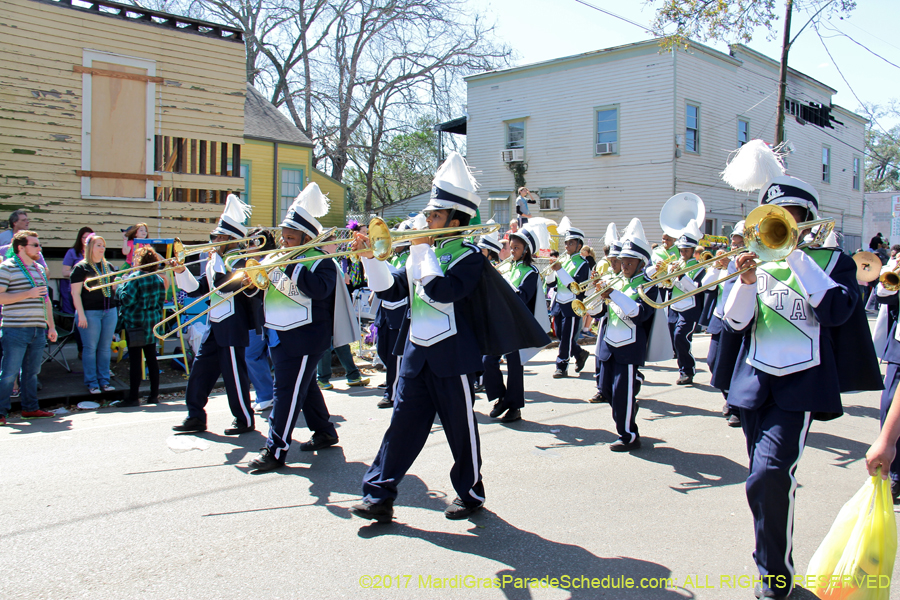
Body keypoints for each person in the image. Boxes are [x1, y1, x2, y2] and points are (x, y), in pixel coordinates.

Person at [723, 173, 873, 600]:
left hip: (802, 383)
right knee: (760, 479)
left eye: (790, 216)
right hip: (753, 380)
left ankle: (774, 573)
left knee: (770, 475)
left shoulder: (829, 262)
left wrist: (796, 256)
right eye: (774, 217)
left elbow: (838, 311)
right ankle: (768, 555)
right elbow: (735, 322)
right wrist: (746, 282)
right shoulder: (756, 261)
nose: (781, 223)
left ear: (807, 220)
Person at [349, 152, 505, 522]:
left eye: (434, 216)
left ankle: (470, 492)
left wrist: (420, 249)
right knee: (400, 428)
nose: (426, 220)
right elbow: (391, 295)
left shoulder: (469, 257)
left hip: (454, 359)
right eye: (430, 214)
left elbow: (442, 291)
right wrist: (372, 260)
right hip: (417, 357)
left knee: (460, 431)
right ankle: (379, 494)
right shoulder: (423, 254)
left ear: (454, 220)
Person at [247, 183, 358, 472]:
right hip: (279, 334)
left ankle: (275, 449)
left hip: (305, 338)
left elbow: (318, 291)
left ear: (307, 238)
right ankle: (324, 431)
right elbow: (275, 291)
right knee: (303, 387)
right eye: (283, 237)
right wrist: (256, 280)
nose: (284, 242)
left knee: (285, 392)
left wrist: (289, 267)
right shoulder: (278, 260)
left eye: (290, 237)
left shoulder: (320, 262)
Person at [171, 195, 256, 436]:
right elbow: (198, 288)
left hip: (233, 326)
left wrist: (217, 261)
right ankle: (195, 415)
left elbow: (226, 285)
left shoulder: (240, 260)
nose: (213, 241)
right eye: (213, 237)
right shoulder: (216, 261)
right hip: (215, 324)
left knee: (234, 377)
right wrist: (180, 270)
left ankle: (244, 419)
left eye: (217, 237)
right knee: (200, 371)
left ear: (231, 240)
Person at [592, 219, 658, 451]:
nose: (625, 263)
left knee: (621, 395)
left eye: (630, 260)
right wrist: (596, 293)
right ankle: (630, 401)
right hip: (608, 346)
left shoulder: (649, 285)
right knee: (607, 390)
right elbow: (599, 312)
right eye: (623, 259)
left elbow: (638, 313)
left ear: (642, 262)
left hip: (629, 348)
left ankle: (629, 435)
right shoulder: (616, 280)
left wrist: (614, 294)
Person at [482, 224, 548, 423]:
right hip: (501, 321)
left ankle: (515, 407)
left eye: (516, 248)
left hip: (517, 325)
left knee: (514, 366)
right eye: (511, 248)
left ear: (526, 250)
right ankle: (502, 397)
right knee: (487, 361)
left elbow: (523, 297)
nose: (512, 252)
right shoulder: (510, 267)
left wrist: (502, 281)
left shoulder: (531, 272)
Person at [0, 230, 57, 425]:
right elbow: (1, 297)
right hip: (15, 328)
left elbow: (46, 300)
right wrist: (28, 293)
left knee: (32, 373)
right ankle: (1, 412)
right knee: (9, 373)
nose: (39, 248)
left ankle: (30, 408)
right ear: (21, 247)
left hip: (37, 328)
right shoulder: (6, 267)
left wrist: (51, 326)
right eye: (35, 245)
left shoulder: (39, 269)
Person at [704, 222, 745, 427]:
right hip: (720, 317)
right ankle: (729, 396)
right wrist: (715, 266)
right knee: (713, 361)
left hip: (739, 320)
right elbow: (705, 285)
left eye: (739, 244)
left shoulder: (749, 264)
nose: (734, 248)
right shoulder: (726, 263)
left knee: (734, 364)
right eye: (733, 244)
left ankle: (736, 406)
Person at [113, 246, 165, 407]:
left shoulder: (134, 278)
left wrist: (119, 286)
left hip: (135, 323)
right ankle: (154, 395)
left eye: (136, 259)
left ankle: (133, 397)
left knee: (135, 361)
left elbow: (126, 300)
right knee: (152, 359)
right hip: (152, 323)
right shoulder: (158, 279)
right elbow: (160, 302)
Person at [317, 233, 370, 390]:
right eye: (334, 243)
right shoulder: (322, 259)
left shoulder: (331, 259)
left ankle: (352, 375)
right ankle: (323, 378)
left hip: (334, 307)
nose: (336, 247)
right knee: (326, 345)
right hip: (325, 309)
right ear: (325, 245)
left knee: (342, 343)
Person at [70, 234, 118, 394]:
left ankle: (104, 381)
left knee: (105, 348)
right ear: (90, 247)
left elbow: (112, 290)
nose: (102, 248)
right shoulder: (81, 268)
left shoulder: (108, 266)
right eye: (98, 245)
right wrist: (81, 315)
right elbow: (75, 293)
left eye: (103, 245)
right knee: (90, 348)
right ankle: (92, 383)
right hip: (90, 313)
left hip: (109, 311)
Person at [660, 224, 706, 385]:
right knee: (674, 339)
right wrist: (669, 276)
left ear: (693, 250)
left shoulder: (699, 266)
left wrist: (680, 276)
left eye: (686, 250)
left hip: (689, 307)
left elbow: (695, 288)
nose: (683, 253)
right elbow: (668, 285)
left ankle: (687, 370)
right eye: (681, 250)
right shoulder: (676, 263)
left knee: (681, 337)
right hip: (674, 306)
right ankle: (683, 369)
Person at [374, 221, 412, 409]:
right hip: (385, 311)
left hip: (399, 311)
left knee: (395, 356)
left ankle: (393, 392)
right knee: (382, 349)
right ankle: (394, 384)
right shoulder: (392, 256)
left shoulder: (409, 257)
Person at [547, 224, 591, 378]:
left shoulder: (583, 264)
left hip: (572, 304)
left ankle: (562, 365)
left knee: (566, 337)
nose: (567, 246)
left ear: (579, 245)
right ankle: (579, 353)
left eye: (571, 243)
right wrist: (550, 271)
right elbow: (552, 284)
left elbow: (576, 287)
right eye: (566, 243)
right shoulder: (562, 259)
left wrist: (559, 269)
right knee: (559, 334)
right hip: (559, 302)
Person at [243, 228, 276, 412]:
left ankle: (270, 395)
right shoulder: (247, 263)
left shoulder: (272, 260)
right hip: (256, 318)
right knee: (252, 355)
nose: (248, 246)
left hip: (272, 316)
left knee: (274, 357)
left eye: (253, 242)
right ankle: (265, 394)